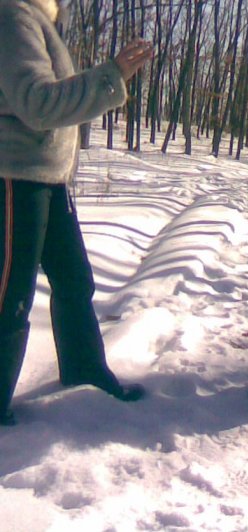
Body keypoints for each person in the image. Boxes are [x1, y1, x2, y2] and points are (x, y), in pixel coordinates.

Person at [0, 0, 153, 425]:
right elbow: (37, 104)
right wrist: (111, 76)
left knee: (74, 282)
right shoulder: (12, 17)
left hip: (50, 177)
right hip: (15, 175)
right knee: (10, 296)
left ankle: (85, 371)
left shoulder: (43, 20)